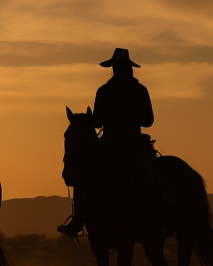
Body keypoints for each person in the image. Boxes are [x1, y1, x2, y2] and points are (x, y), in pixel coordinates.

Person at [57, 47, 163, 238]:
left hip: (127, 142)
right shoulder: (131, 90)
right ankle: (78, 219)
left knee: (147, 175)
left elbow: (100, 121)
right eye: (118, 66)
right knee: (86, 173)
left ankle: (156, 220)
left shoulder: (110, 91)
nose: (118, 69)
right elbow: (146, 121)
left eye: (119, 66)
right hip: (119, 142)